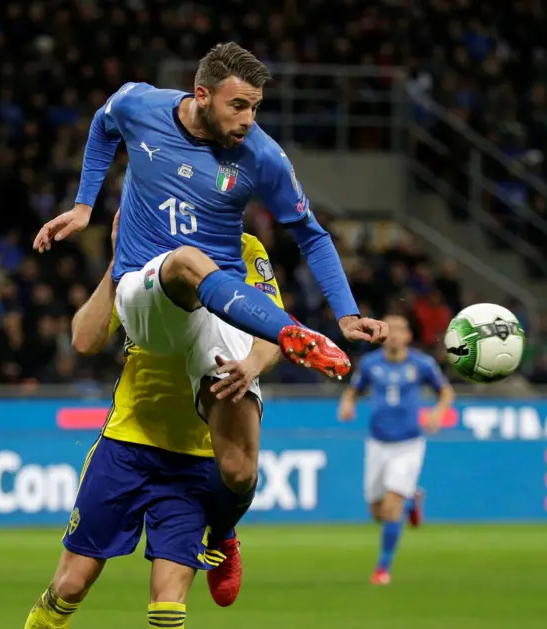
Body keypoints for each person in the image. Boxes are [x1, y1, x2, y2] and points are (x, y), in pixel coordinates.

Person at [34, 42, 388, 568]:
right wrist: (85, 205)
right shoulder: (141, 105)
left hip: (217, 309)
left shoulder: (261, 156)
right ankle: (291, 333)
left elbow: (310, 234)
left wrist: (346, 313)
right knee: (185, 261)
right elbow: (103, 122)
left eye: (256, 107)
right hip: (147, 291)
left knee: (240, 468)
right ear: (201, 96)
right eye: (238, 106)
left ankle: (222, 531)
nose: (248, 119)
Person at [0, 218, 283, 629]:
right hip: (127, 446)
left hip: (193, 462)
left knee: (168, 604)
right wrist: (119, 260)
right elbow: (85, 339)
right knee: (68, 585)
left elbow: (271, 327)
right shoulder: (149, 254)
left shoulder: (246, 250)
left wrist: (254, 367)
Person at [338, 312, 455, 584]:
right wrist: (347, 403)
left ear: (408, 336)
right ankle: (412, 499)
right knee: (377, 512)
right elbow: (353, 390)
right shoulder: (369, 364)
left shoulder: (422, 364)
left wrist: (438, 413)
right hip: (377, 443)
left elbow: (446, 391)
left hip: (408, 444)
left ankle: (383, 568)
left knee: (392, 507)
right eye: (390, 330)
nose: (395, 335)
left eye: (400, 329)